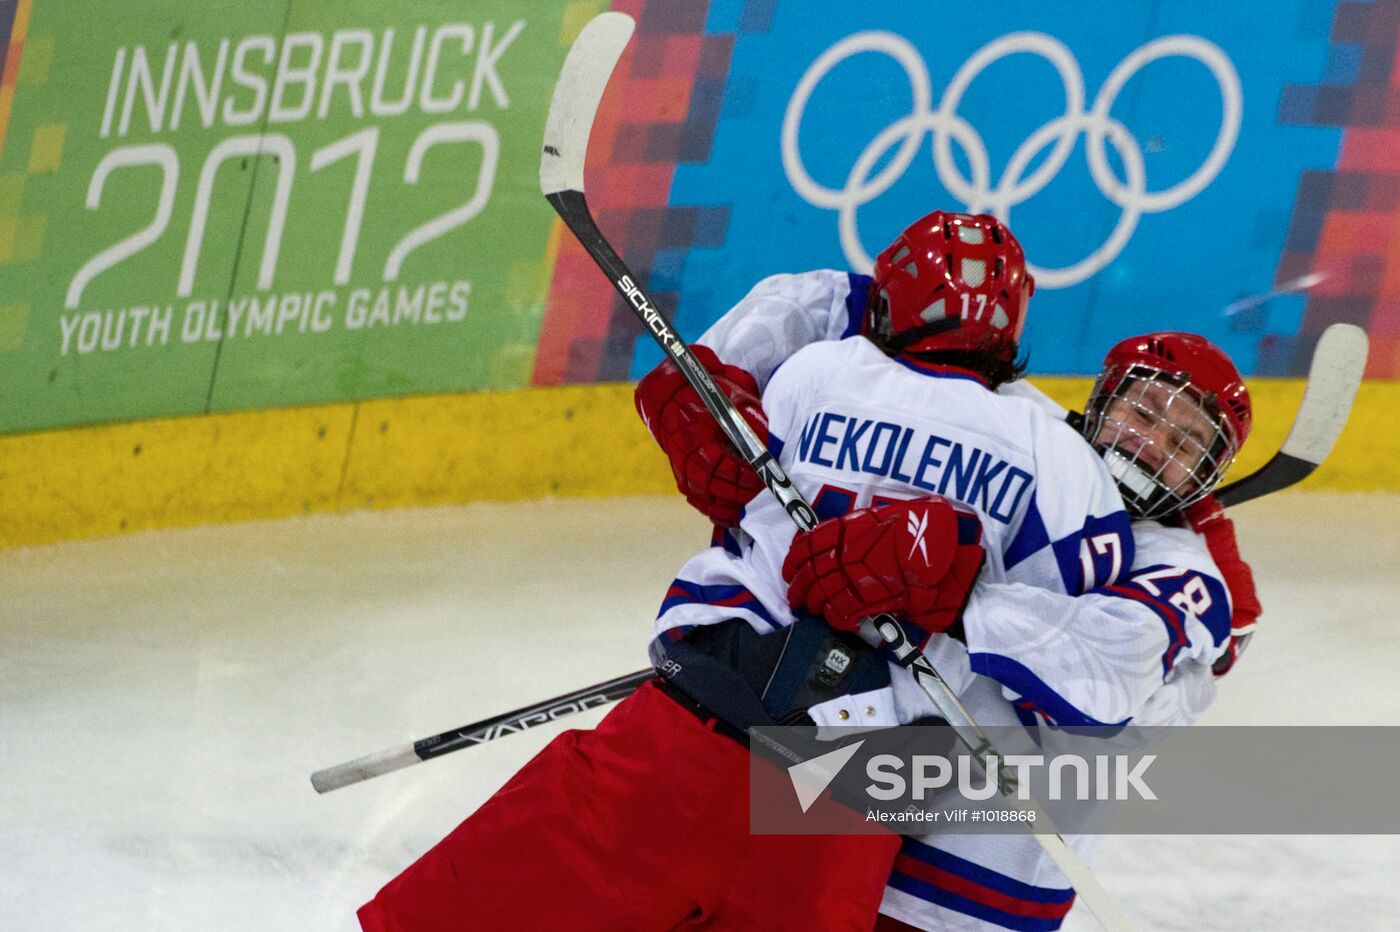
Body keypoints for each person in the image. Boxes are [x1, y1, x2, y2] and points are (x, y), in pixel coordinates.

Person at [358, 211, 1144, 931]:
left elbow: (723, 456)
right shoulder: (1060, 462)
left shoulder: (812, 370)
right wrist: (971, 598)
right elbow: (1098, 684)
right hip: (851, 808)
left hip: (690, 733)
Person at [643, 232, 1260, 928]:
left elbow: (1112, 673)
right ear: (1101, 398)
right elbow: (859, 313)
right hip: (836, 822)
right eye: (1144, 414)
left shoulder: (1185, 569)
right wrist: (714, 369)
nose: (1151, 445)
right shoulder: (1030, 432)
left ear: (1206, 476)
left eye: (1183, 446)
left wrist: (961, 598)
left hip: (970, 886)